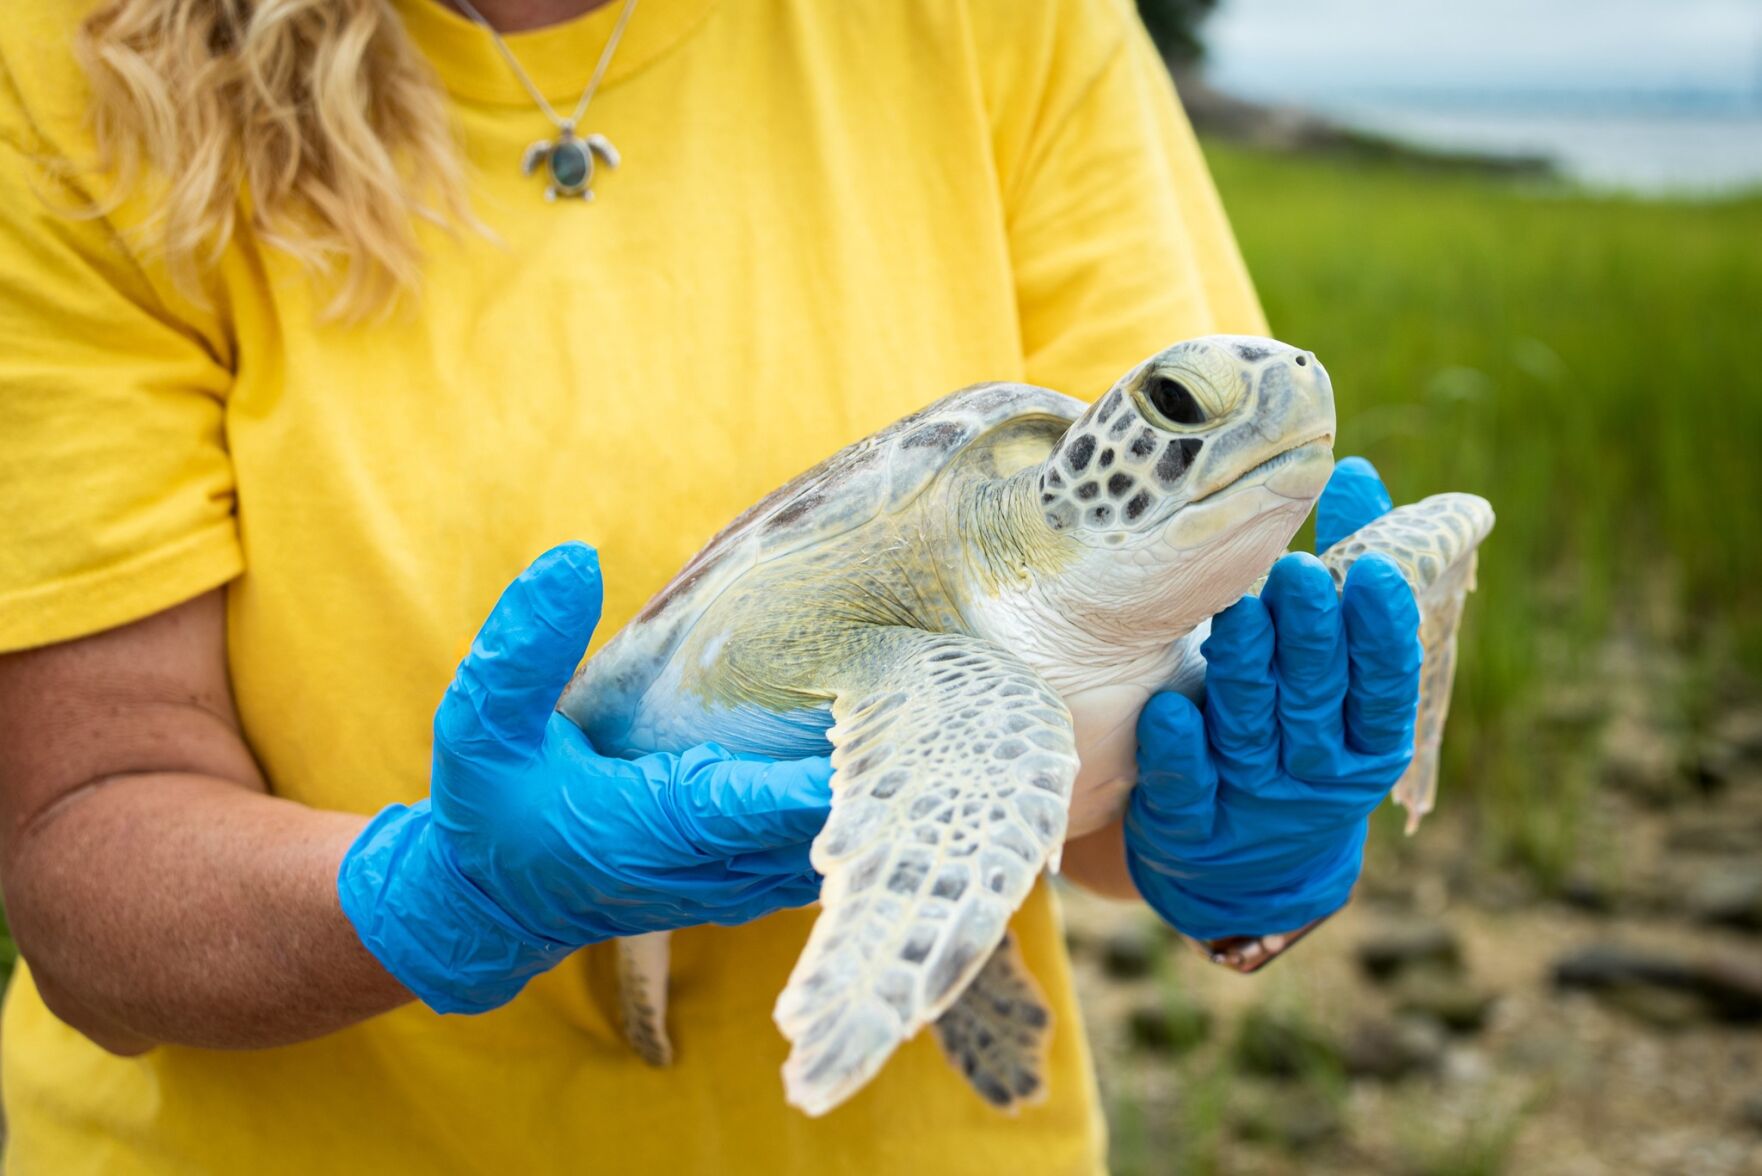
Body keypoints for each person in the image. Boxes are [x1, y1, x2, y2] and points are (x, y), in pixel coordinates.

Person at [0, 0, 1420, 1171]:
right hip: (267, 1144)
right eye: (1175, 409)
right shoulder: (67, 65)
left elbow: (1103, 819)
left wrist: (1234, 858)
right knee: (960, 780)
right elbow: (83, 853)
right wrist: (429, 897)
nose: (1273, 393)